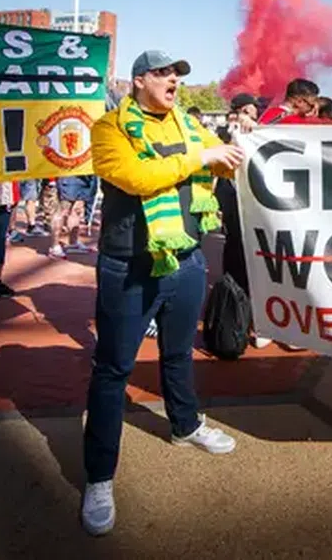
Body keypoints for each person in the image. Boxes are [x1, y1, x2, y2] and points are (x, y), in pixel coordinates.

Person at [80, 50, 247, 537]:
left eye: (178, 74)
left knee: (178, 355)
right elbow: (135, 177)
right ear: (137, 82)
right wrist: (202, 157)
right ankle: (98, 476)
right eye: (163, 73)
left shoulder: (189, 126)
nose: (174, 80)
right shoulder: (109, 128)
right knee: (113, 369)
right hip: (128, 264)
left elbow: (225, 166)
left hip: (188, 259)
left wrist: (243, 149)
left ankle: (185, 424)